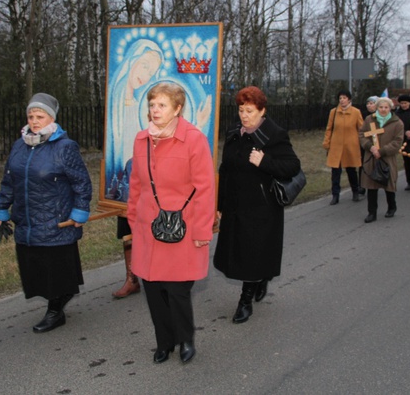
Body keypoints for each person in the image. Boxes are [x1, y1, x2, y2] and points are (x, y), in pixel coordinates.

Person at [126, 82, 215, 364]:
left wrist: (202, 230)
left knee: (177, 290)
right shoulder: (141, 139)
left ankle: (186, 339)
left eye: (162, 105)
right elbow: (136, 184)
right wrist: (134, 221)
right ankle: (163, 342)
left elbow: (205, 189)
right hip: (148, 230)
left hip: (183, 228)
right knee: (153, 290)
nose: (155, 110)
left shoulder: (194, 139)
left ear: (178, 109)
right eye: (152, 105)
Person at [0, 93, 92, 333]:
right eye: (31, 116)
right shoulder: (19, 145)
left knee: (55, 270)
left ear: (51, 118)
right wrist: (2, 209)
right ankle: (59, 298)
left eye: (40, 116)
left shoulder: (64, 147)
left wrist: (79, 212)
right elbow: (9, 180)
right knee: (33, 267)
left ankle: (55, 311)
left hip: (55, 220)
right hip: (26, 218)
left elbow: (81, 182)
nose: (34, 121)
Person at [214, 86, 301, 325]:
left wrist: (265, 161)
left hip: (262, 207)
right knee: (238, 252)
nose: (244, 115)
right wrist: (219, 202)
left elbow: (292, 166)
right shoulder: (234, 131)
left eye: (249, 110)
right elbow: (225, 168)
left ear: (262, 111)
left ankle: (245, 301)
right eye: (241, 109)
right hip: (235, 204)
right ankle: (262, 277)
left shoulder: (275, 134)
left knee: (252, 254)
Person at [359, 97, 404, 223]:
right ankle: (372, 212)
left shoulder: (397, 123)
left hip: (387, 158)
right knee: (371, 185)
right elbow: (362, 135)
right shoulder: (369, 119)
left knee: (388, 183)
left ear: (390, 108)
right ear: (376, 108)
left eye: (386, 107)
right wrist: (371, 147)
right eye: (381, 107)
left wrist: (382, 151)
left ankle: (391, 207)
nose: (383, 110)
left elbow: (398, 141)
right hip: (371, 156)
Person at [323, 90, 364, 205]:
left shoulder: (356, 112)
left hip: (350, 146)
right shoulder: (334, 112)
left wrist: (364, 143)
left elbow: (362, 129)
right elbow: (329, 128)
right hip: (336, 146)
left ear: (349, 99)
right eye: (340, 98)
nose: (342, 100)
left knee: (351, 171)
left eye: (344, 98)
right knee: (335, 172)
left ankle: (355, 192)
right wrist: (327, 143)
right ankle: (335, 195)